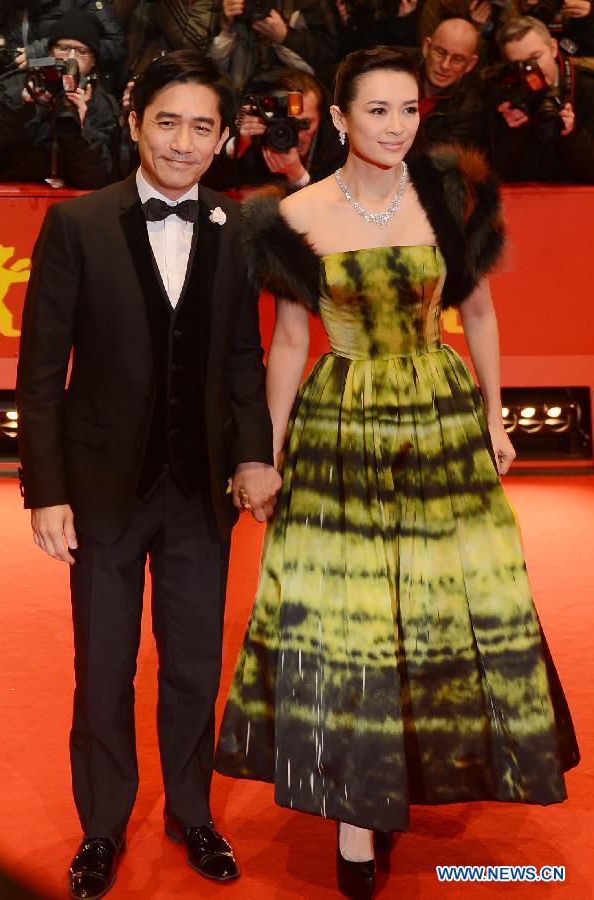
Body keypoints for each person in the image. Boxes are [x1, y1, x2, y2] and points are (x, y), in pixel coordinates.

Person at [214, 46, 579, 899]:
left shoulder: (450, 195)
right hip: (342, 423)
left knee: (440, 604)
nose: (395, 126)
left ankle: (411, 773)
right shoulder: (291, 214)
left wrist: (495, 416)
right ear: (337, 120)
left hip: (439, 418)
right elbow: (290, 346)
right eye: (375, 111)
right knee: (351, 617)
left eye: (408, 110)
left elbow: (479, 311)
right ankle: (353, 809)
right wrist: (263, 457)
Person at [15, 50, 281, 899]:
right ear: (135, 123)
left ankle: (192, 813)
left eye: (202, 126)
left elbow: (243, 355)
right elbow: (40, 368)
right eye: (167, 121)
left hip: (199, 491)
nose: (182, 141)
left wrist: (252, 453)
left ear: (222, 139)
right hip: (99, 490)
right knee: (104, 668)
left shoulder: (237, 227)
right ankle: (101, 829)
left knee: (195, 663)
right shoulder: (78, 224)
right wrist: (45, 490)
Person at [0, 10, 119, 188]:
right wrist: (21, 101)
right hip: (8, 190)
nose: (70, 58)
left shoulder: (102, 104)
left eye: (82, 51)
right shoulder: (15, 83)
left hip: (69, 202)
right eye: (63, 48)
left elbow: (99, 178)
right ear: (49, 52)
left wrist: (80, 131)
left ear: (93, 61)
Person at [490, 15, 594, 182]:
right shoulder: (500, 97)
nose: (533, 71)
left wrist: (572, 134)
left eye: (536, 57)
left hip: (577, 198)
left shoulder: (587, 89)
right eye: (521, 65)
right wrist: (511, 133)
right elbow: (493, 176)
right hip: (523, 199)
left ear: (553, 48)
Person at [210, 67, 345, 190]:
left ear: (321, 117)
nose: (296, 133)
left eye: (304, 122)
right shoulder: (259, 129)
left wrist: (298, 176)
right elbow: (210, 185)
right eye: (286, 121)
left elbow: (336, 210)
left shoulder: (339, 148)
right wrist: (237, 146)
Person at [210, 0, 339, 97]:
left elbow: (326, 68)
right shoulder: (231, 6)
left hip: (292, 101)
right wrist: (225, 25)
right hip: (241, 102)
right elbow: (213, 69)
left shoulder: (309, 5)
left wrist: (284, 36)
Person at [415, 16, 488, 150]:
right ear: (426, 47)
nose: (445, 65)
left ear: (470, 64)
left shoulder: (471, 109)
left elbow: (435, 162)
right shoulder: (398, 70)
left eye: (458, 59)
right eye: (440, 52)